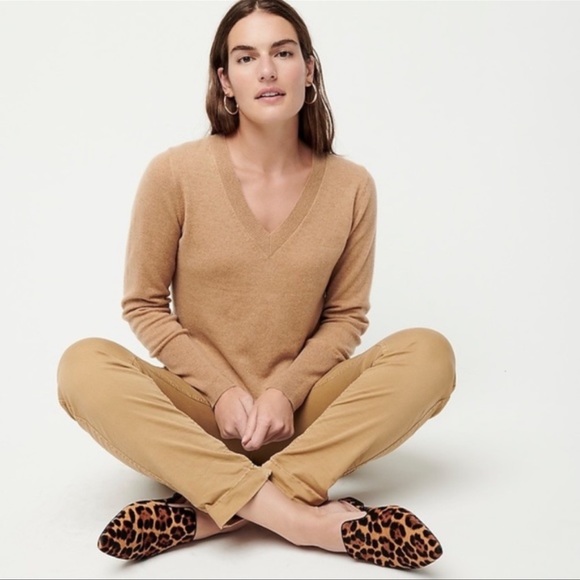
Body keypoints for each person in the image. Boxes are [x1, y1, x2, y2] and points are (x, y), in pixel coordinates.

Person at [57, 0, 456, 571]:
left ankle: (217, 511)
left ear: (309, 69)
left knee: (430, 354)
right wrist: (222, 392)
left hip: (305, 420)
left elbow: (346, 317)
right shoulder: (175, 173)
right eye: (246, 58)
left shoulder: (351, 186)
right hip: (197, 418)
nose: (266, 70)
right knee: (82, 365)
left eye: (283, 53)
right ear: (226, 81)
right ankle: (298, 519)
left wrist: (284, 393)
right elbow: (144, 305)